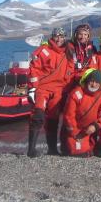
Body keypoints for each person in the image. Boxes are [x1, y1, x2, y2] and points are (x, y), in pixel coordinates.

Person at [27, 27, 72, 157]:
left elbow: (70, 73)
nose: (59, 39)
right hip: (42, 88)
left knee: (53, 120)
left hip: (58, 90)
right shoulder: (44, 51)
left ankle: (52, 149)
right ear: (52, 37)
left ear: (65, 37)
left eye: (62, 36)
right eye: (57, 36)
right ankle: (31, 150)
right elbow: (33, 69)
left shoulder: (68, 52)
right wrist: (33, 88)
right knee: (38, 116)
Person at [62, 69, 101, 157]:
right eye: (92, 81)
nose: (94, 84)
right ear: (87, 81)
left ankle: (100, 149)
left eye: (97, 82)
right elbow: (69, 116)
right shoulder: (77, 93)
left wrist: (96, 125)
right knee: (79, 155)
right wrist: (75, 133)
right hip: (80, 130)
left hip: (96, 127)